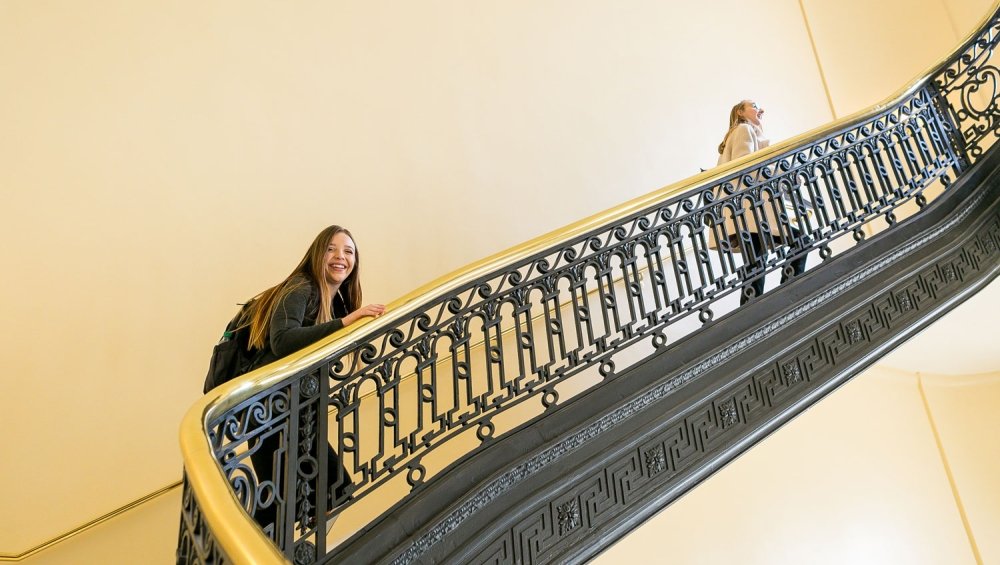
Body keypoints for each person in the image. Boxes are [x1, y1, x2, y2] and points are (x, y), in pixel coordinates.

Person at [240, 224, 385, 538]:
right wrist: (345, 322)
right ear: (318, 254)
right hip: (270, 408)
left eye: (349, 251)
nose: (340, 257)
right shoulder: (301, 287)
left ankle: (297, 552)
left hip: (295, 410)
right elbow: (283, 340)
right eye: (332, 249)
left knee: (324, 493)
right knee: (290, 499)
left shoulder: (336, 302)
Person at [717, 100, 807, 304]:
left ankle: (750, 310)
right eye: (754, 105)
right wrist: (784, 176)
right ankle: (788, 291)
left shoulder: (746, 131)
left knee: (755, 263)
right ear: (740, 112)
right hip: (750, 210)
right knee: (800, 240)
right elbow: (748, 167)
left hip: (748, 211)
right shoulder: (743, 129)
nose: (760, 109)